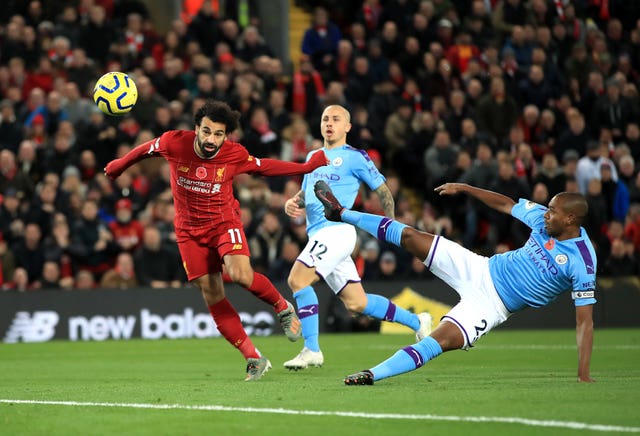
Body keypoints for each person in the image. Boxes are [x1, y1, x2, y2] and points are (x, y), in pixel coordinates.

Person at [104, 100, 329, 381]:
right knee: (212, 293)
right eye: (207, 132)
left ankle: (282, 307)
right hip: (188, 231)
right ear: (196, 129)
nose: (212, 140)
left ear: (227, 136)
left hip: (224, 223)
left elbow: (264, 166)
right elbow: (145, 148)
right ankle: (253, 357)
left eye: (219, 134)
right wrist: (120, 164)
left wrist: (305, 168)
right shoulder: (175, 142)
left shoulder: (233, 154)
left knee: (240, 275)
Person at [313, 180, 596, 385]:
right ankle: (340, 212)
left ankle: (372, 374)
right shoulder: (543, 222)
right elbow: (507, 204)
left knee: (440, 340)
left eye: (552, 211)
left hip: (491, 306)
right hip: (479, 268)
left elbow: (584, 320)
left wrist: (583, 372)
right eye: (547, 209)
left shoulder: (582, 261)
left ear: (570, 218)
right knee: (412, 237)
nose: (545, 214)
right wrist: (466, 188)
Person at [282, 105, 432, 371]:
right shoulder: (313, 156)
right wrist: (293, 202)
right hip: (318, 235)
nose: (329, 123)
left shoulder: (355, 157)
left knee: (297, 279)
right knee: (357, 302)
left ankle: (312, 349)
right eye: (325, 118)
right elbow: (307, 194)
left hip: (337, 231)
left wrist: (391, 225)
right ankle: (418, 323)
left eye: (336, 119)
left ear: (347, 127)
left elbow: (383, 191)